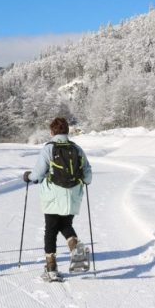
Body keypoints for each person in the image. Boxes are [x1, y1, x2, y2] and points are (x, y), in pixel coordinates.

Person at [23, 117, 92, 280]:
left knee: (51, 229)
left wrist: (28, 176)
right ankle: (74, 246)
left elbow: (38, 174)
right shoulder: (77, 149)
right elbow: (88, 176)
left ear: (52, 131)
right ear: (67, 131)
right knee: (66, 224)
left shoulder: (49, 148)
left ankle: (51, 268)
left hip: (53, 195)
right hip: (73, 196)